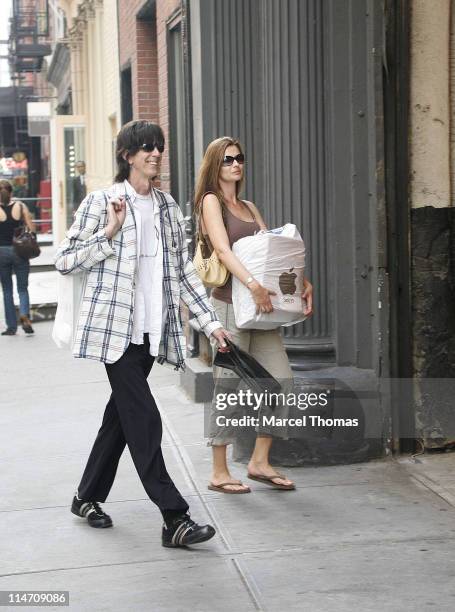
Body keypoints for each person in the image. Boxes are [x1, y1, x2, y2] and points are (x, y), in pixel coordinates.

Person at [54, 121, 230, 548]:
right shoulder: (103, 201)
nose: (155, 154)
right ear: (127, 155)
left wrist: (210, 323)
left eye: (159, 148)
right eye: (146, 148)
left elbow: (183, 272)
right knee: (145, 420)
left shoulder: (168, 207)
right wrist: (109, 232)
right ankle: (175, 517)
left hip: (152, 334)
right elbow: (65, 260)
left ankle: (85, 497)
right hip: (115, 333)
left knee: (119, 420)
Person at [194, 137, 314, 494]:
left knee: (282, 381)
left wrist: (302, 282)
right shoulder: (211, 202)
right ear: (216, 164)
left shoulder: (249, 205)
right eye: (228, 159)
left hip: (261, 311)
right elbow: (221, 249)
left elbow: (273, 251)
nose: (235, 164)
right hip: (230, 308)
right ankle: (219, 471)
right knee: (228, 389)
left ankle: (259, 461)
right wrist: (252, 284)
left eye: (239, 158)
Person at [0, 179, 35, 336]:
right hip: (19, 251)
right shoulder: (20, 206)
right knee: (22, 288)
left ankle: (11, 327)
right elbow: (31, 227)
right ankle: (24, 315)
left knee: (7, 289)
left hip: (1, 252)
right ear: (11, 191)